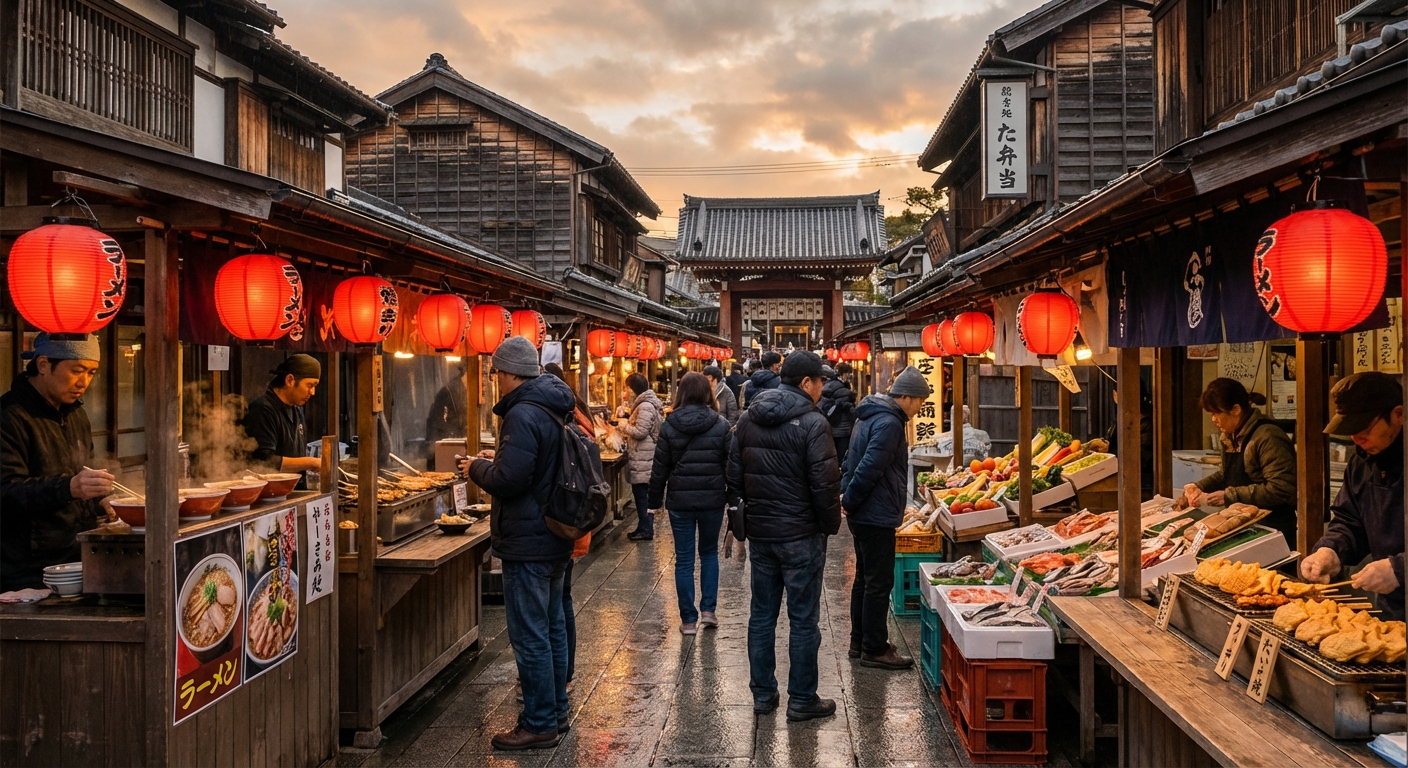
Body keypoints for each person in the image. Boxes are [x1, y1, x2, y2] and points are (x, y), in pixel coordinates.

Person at [462, 336, 577, 750]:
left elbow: (510, 480)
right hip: (554, 533)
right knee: (552, 626)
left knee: (530, 635)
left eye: (496, 372)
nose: (496, 379)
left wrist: (477, 467)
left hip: (529, 539)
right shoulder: (552, 405)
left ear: (510, 373)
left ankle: (540, 721)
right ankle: (557, 710)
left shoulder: (523, 413)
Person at [727, 350, 841, 723]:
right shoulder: (812, 422)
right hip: (801, 534)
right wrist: (829, 525)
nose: (823, 388)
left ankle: (763, 695)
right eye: (820, 381)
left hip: (763, 533)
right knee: (803, 619)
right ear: (806, 383)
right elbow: (825, 484)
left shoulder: (747, 419)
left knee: (761, 615)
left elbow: (733, 476)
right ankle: (802, 698)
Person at [1, 333, 113, 590]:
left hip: (77, 558)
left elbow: (83, 471)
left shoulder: (76, 414)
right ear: (43, 365)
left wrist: (100, 500)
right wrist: (69, 487)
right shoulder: (9, 417)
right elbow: (5, 491)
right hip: (26, 572)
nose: (84, 382)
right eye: (76, 371)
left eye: (91, 372)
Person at [841, 367, 929, 670]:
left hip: (865, 511)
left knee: (864, 580)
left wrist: (847, 497)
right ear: (904, 396)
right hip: (874, 513)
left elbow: (849, 460)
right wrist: (850, 500)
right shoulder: (890, 422)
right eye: (918, 401)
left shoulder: (868, 415)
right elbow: (868, 466)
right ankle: (875, 648)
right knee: (879, 582)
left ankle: (860, 640)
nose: (919, 408)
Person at [1301, 372, 1405, 620]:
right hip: (1392, 610)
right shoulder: (1361, 462)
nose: (1357, 439)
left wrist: (1399, 569)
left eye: (1365, 428)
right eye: (1350, 430)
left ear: (1398, 414)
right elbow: (1350, 521)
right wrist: (1331, 551)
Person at [649, 372, 732, 635]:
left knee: (684, 559)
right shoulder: (720, 425)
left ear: (681, 393)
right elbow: (730, 467)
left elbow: (659, 468)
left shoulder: (670, 424)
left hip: (680, 501)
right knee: (709, 554)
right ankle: (709, 610)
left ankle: (688, 620)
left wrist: (653, 503)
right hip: (712, 499)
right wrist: (733, 500)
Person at [1176, 378, 1297, 539]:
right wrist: (1198, 487)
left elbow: (1280, 488)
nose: (1213, 419)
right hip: (1243, 523)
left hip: (1272, 527)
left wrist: (1229, 495)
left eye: (1216, 412)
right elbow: (1226, 473)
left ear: (1236, 409)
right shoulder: (1230, 436)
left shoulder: (1267, 437)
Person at [544, 361, 595, 688]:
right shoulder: (581, 417)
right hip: (574, 524)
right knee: (563, 602)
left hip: (561, 526)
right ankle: (565, 675)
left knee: (555, 607)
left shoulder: (564, 427)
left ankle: (558, 678)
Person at [243, 354, 323, 486]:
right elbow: (263, 461)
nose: (312, 392)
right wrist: (310, 462)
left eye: (315, 386)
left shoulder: (297, 409)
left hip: (294, 492)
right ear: (290, 380)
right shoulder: (263, 409)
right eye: (309, 385)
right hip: (271, 495)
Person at [618, 372, 664, 541]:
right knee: (643, 494)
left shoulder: (645, 406)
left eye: (628, 388)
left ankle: (645, 528)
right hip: (644, 455)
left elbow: (641, 431)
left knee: (641, 495)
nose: (626, 391)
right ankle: (644, 526)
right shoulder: (644, 404)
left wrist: (624, 426)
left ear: (633, 389)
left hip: (644, 457)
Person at [425, 363, 469, 451]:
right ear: (465, 373)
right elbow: (436, 421)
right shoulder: (448, 391)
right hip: (446, 445)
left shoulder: (464, 390)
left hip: (458, 441)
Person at [819, 363, 856, 464]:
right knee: (842, 455)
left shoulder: (828, 386)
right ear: (844, 373)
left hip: (831, 426)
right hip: (842, 428)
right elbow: (849, 407)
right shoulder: (840, 387)